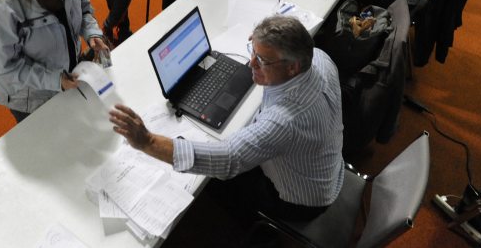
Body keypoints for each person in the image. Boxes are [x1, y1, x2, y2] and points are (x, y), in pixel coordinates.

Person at [109, 15, 345, 223]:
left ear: (292, 67)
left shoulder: (284, 121)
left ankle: (250, 222)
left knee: (213, 184)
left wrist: (147, 142)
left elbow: (228, 159)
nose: (251, 63)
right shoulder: (319, 59)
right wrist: (264, 45)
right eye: (253, 51)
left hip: (302, 201)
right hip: (328, 171)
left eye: (262, 60)